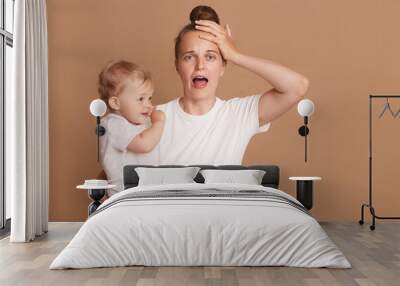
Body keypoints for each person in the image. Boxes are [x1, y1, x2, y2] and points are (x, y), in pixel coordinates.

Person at [152, 5, 309, 165]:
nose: (200, 66)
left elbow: (297, 87)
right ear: (177, 65)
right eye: (189, 57)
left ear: (223, 66)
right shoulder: (153, 118)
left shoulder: (238, 115)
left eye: (210, 57)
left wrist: (235, 55)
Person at [98, 60, 165, 195]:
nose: (148, 105)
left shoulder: (138, 122)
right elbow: (144, 144)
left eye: (149, 98)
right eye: (141, 99)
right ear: (116, 103)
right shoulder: (113, 124)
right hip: (123, 193)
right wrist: (159, 123)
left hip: (139, 191)